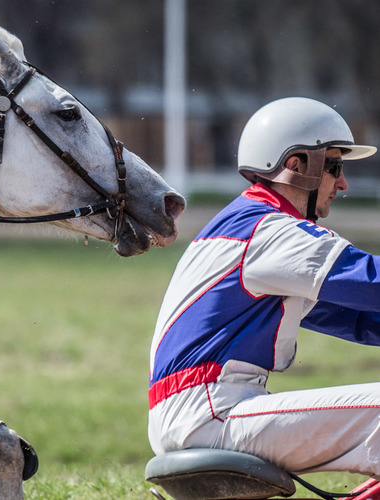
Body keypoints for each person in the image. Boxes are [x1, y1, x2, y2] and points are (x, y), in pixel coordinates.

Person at [148, 97, 380, 477]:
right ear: (296, 166)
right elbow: (371, 282)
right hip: (212, 414)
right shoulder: (268, 229)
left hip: (200, 412)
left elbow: (358, 318)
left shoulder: (249, 225)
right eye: (334, 166)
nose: (343, 182)